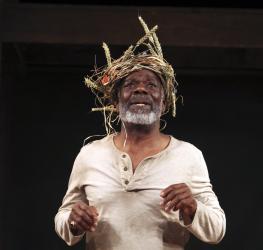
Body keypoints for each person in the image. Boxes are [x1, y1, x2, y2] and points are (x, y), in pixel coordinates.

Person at [54, 17, 226, 250]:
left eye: (152, 85)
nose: (141, 88)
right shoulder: (90, 154)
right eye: (130, 84)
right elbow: (64, 218)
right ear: (115, 101)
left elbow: (217, 229)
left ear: (164, 103)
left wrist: (193, 207)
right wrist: (73, 222)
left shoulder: (188, 155)